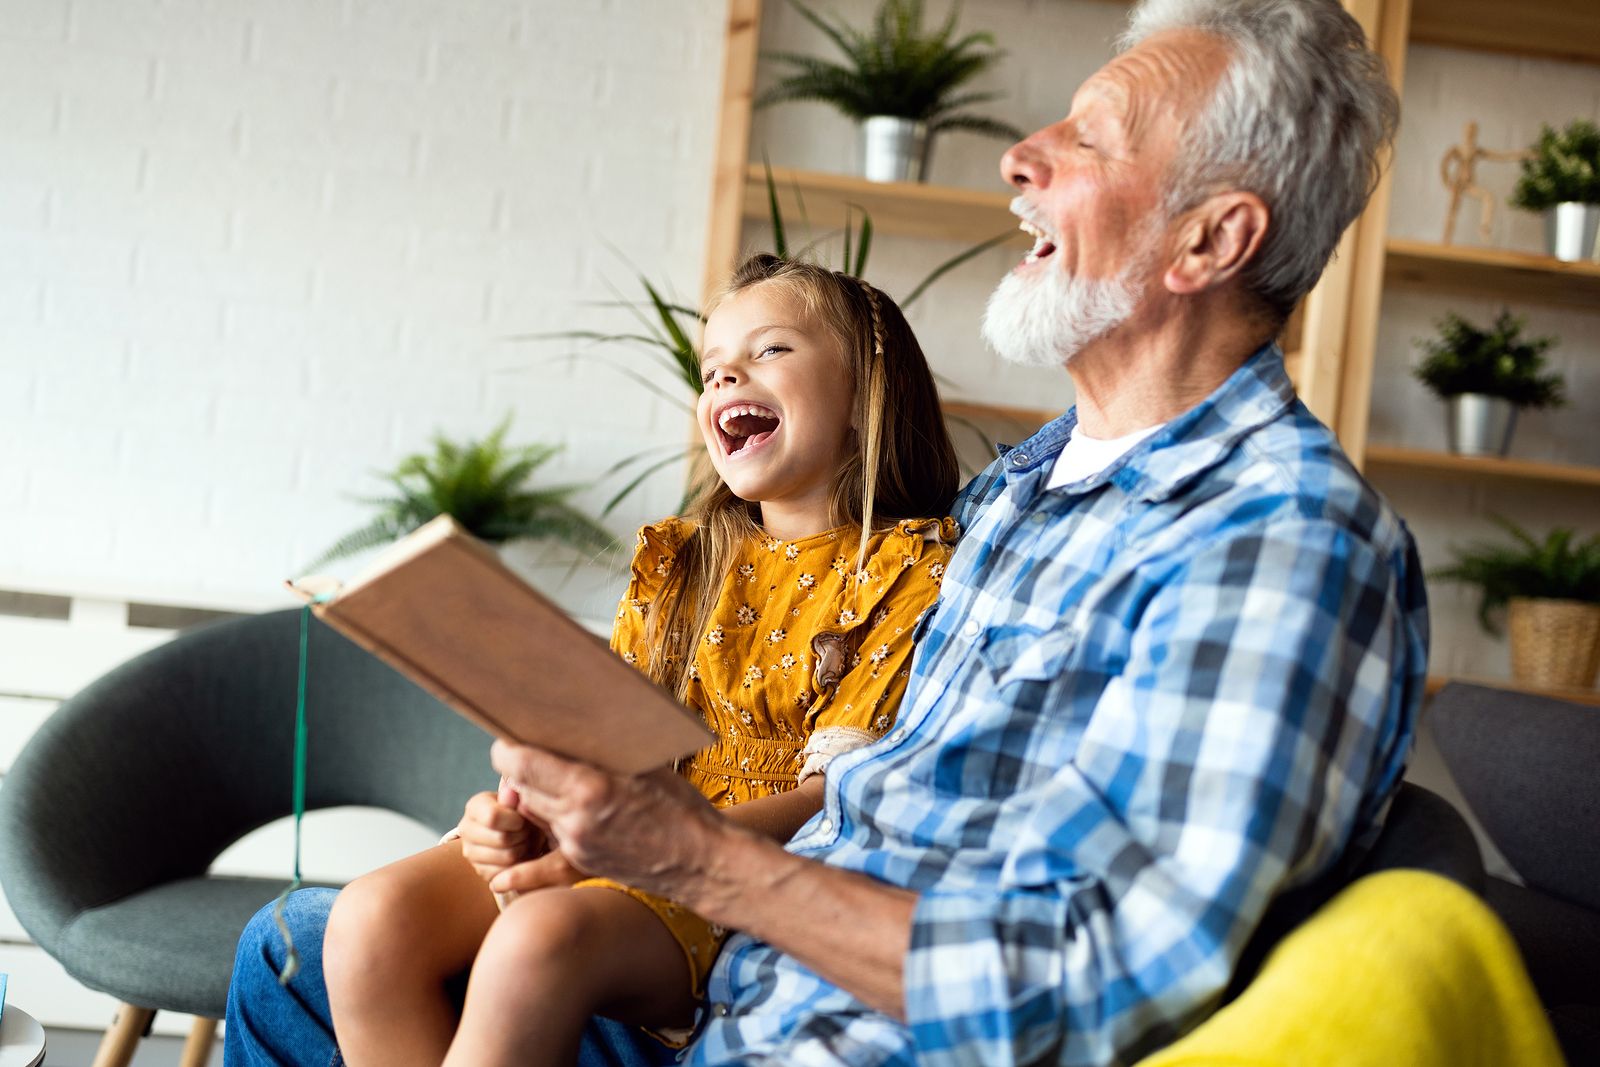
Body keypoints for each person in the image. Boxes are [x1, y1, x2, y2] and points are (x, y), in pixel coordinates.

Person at [227, 0, 1430, 1063]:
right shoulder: (1026, 488)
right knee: (321, 936)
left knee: (300, 954)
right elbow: (874, 785)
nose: (1018, 162)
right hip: (749, 981)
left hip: (814, 1022)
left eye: (1086, 141)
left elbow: (1083, 987)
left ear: (1210, 240)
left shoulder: (1277, 541)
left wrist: (687, 856)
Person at [224, 254, 960, 1066]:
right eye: (712, 370)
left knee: (534, 940)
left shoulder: (908, 567)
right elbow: (597, 740)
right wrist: (513, 819)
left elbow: (839, 796)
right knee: (369, 918)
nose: (726, 379)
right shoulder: (679, 559)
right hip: (605, 831)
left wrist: (666, 837)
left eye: (771, 351)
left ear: (866, 393)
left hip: (736, 865)